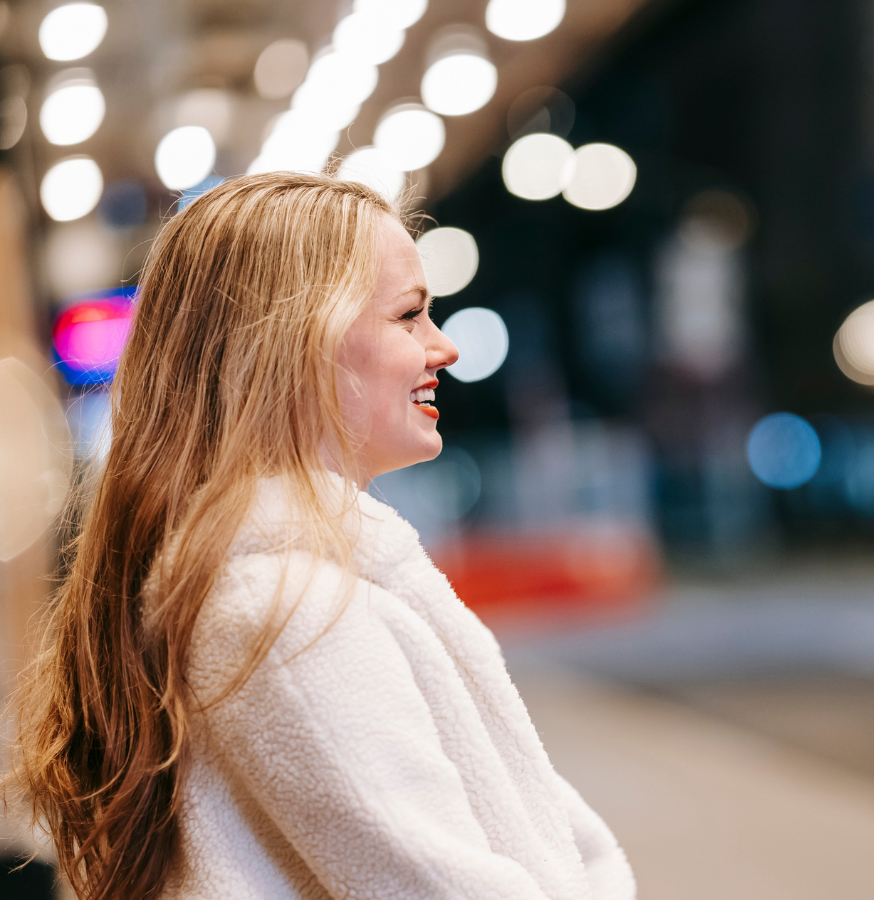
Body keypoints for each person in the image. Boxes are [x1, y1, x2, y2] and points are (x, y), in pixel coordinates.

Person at [7, 173, 636, 900]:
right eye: (409, 317)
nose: (445, 349)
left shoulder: (289, 585)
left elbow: (544, 832)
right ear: (299, 339)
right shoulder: (284, 611)